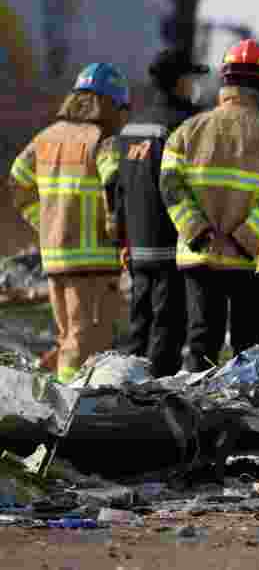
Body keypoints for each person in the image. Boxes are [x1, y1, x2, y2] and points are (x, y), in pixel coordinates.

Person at [160, 39, 259, 371]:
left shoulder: (186, 131)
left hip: (200, 257)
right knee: (249, 353)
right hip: (252, 261)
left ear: (225, 80)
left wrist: (201, 233)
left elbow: (170, 187)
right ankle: (243, 419)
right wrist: (243, 239)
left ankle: (196, 418)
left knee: (201, 346)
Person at [9, 63, 130, 382]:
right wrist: (118, 235)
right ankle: (72, 411)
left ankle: (62, 400)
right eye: (122, 108)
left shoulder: (44, 139)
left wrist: (47, 224)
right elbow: (114, 186)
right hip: (94, 264)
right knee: (87, 343)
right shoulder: (103, 139)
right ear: (110, 104)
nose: (124, 116)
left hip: (56, 260)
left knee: (68, 340)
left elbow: (17, 182)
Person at [108, 49, 209, 378]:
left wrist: (123, 237)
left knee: (138, 326)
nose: (195, 86)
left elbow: (120, 188)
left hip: (137, 246)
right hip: (171, 244)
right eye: (192, 78)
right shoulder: (185, 124)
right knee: (167, 327)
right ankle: (151, 403)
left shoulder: (131, 128)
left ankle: (124, 391)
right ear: (180, 81)